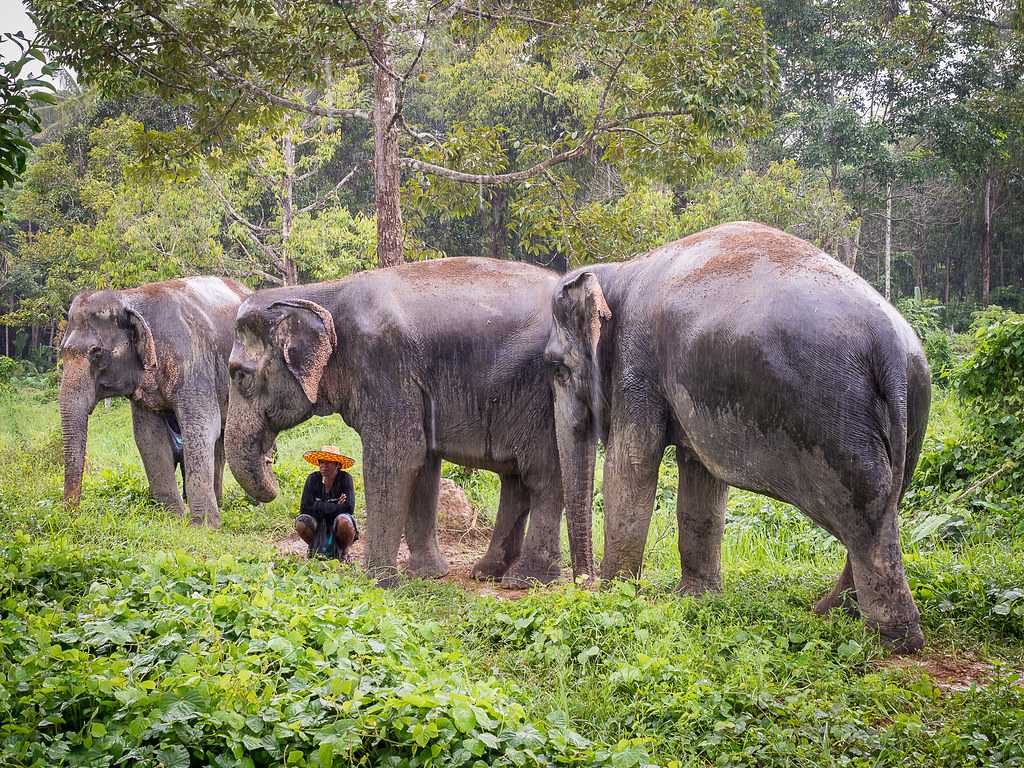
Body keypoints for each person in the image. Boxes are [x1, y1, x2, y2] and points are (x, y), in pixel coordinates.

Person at [295, 445, 359, 560]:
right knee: (301, 522)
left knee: (344, 521)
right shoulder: (312, 479)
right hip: (317, 522)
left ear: (337, 465)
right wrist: (336, 505)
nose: (324, 466)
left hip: (337, 522)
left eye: (328, 463)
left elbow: (349, 508)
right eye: (322, 463)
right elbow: (304, 507)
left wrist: (317, 505)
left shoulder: (345, 479)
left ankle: (344, 552)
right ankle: (313, 547)